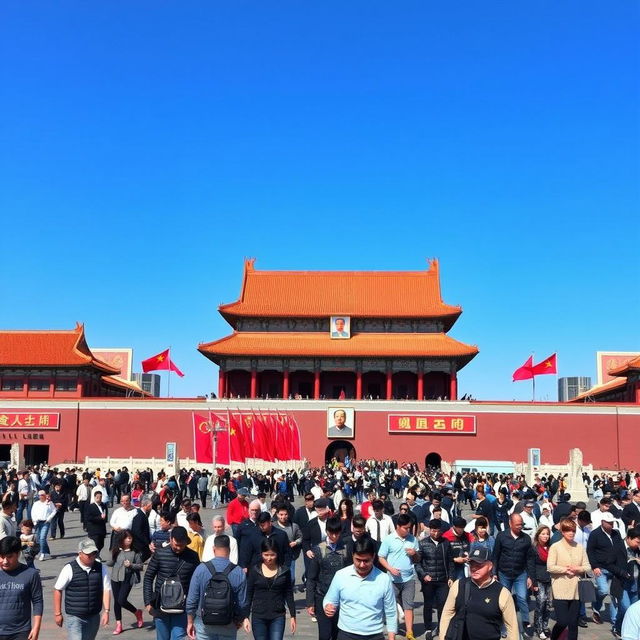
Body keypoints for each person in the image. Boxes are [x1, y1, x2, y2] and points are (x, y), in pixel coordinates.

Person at [323, 537, 398, 640]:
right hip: (346, 634)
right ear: (352, 556)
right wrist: (327, 606)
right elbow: (330, 599)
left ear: (373, 557)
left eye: (366, 561)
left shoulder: (384, 579)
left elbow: (391, 612)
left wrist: (391, 637)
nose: (362, 565)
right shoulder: (341, 575)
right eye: (358, 560)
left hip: (374, 635)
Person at [440, 546, 519, 640]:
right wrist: (442, 637)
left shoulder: (502, 593)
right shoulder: (459, 585)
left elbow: (512, 627)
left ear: (490, 566)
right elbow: (447, 614)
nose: (474, 568)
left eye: (479, 565)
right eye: (472, 564)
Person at [185, 534, 248, 640]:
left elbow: (192, 599)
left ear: (214, 549)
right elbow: (242, 603)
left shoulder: (201, 569)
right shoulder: (238, 572)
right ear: (229, 550)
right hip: (228, 623)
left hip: (204, 624)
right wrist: (239, 620)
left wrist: (190, 622)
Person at [143, 526, 200, 640]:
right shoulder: (160, 554)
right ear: (170, 539)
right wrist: (148, 602)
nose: (178, 548)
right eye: (176, 544)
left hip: (182, 608)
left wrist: (194, 607)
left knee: (178, 637)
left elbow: (196, 583)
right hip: (160, 607)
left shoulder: (193, 557)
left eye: (181, 545)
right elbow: (148, 577)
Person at [53, 538, 111, 640]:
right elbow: (58, 590)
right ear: (80, 553)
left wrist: (106, 611)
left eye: (94, 553)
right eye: (88, 554)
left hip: (94, 616)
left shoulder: (101, 568)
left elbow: (106, 590)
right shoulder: (69, 569)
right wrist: (58, 613)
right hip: (75, 617)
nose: (92, 557)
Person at [378, 513, 420, 640]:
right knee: (391, 606)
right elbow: (381, 557)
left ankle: (409, 632)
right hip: (392, 579)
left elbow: (417, 559)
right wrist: (390, 568)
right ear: (398, 526)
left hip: (408, 578)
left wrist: (414, 554)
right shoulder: (389, 539)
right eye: (405, 528)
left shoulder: (413, 539)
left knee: (409, 606)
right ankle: (393, 630)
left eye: (409, 528)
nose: (407, 531)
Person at [547, 518, 591, 640]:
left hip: (575, 589)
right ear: (562, 531)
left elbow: (587, 566)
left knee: (573, 623)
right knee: (562, 621)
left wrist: (577, 568)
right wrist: (565, 569)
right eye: (568, 530)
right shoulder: (555, 547)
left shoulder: (580, 547)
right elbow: (550, 567)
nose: (571, 533)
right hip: (560, 587)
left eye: (573, 530)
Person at [306, 516, 350, 638]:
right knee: (324, 634)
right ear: (327, 531)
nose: (334, 537)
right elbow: (311, 578)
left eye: (337, 533)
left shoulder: (346, 549)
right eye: (331, 533)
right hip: (322, 596)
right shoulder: (319, 549)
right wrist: (310, 602)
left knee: (338, 634)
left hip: (342, 598)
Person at [245, 537, 296, 640]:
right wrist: (245, 617)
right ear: (261, 554)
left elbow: (289, 594)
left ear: (277, 554)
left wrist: (293, 615)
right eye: (266, 555)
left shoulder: (284, 571)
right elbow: (249, 594)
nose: (269, 558)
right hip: (258, 615)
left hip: (278, 615)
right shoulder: (254, 570)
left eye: (272, 555)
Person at [493, 513, 535, 637]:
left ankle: (526, 622)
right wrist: (494, 573)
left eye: (521, 525)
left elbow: (530, 559)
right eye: (517, 525)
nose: (519, 527)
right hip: (504, 573)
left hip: (520, 573)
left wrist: (530, 577)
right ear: (510, 524)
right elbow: (495, 555)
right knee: (504, 600)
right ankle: (502, 625)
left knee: (522, 597)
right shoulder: (501, 536)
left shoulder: (526, 538)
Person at [415, 519, 454, 640]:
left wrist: (451, 577)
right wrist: (424, 575)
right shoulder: (422, 543)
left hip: (443, 580)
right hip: (429, 581)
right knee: (428, 604)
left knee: (443, 605)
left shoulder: (446, 543)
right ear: (429, 530)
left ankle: (442, 627)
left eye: (437, 531)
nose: (435, 533)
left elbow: (450, 562)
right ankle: (428, 629)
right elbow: (417, 563)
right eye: (433, 531)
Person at [0, 535, 43, 640]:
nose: (5, 561)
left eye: (9, 557)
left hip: (21, 632)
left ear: (18, 554)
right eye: (1, 556)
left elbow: (37, 601)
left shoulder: (31, 574)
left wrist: (36, 628)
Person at [587, 510, 622, 627]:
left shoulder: (616, 534)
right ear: (602, 522)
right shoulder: (595, 534)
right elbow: (590, 551)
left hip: (614, 568)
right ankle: (596, 605)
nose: (611, 525)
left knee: (614, 594)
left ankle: (614, 620)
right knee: (603, 590)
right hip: (601, 568)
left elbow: (620, 549)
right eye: (609, 523)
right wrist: (594, 566)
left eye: (612, 522)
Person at [107, 529, 144, 635]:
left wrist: (131, 565)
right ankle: (119, 624)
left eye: (130, 538)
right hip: (115, 578)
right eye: (127, 538)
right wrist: (112, 552)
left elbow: (141, 566)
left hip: (128, 578)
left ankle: (137, 612)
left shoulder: (135, 552)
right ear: (122, 539)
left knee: (122, 600)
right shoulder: (117, 550)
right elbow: (109, 563)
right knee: (117, 602)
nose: (129, 540)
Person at [611, 527, 640, 638]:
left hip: (635, 584)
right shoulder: (618, 547)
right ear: (628, 538)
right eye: (637, 542)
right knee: (626, 608)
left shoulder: (638, 550)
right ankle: (617, 626)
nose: (638, 544)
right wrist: (622, 572)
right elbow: (609, 564)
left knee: (634, 611)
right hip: (622, 583)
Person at [532, 525, 553, 640]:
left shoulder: (551, 547)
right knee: (541, 602)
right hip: (538, 578)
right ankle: (538, 627)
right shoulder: (534, 548)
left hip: (550, 579)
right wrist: (533, 582)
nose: (545, 536)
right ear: (538, 535)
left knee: (548, 604)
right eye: (543, 534)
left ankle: (545, 626)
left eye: (547, 534)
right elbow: (531, 565)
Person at [272, 504, 302, 585]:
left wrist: (295, 542)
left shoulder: (294, 526)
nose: (283, 517)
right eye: (281, 514)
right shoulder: (273, 526)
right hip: (276, 556)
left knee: (291, 578)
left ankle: (289, 593)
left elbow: (301, 537)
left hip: (290, 555)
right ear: (277, 514)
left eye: (285, 514)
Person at [30, 489, 56, 561]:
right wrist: (34, 521)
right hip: (38, 522)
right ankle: (47, 551)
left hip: (45, 522)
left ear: (45, 496)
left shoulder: (49, 503)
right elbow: (33, 512)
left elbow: (54, 511)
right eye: (39, 495)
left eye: (42, 495)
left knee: (42, 538)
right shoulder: (36, 503)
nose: (40, 497)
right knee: (38, 539)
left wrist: (49, 518)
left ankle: (42, 553)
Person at [85, 489, 108, 557]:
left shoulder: (103, 505)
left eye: (100, 497)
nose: (99, 498)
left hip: (102, 528)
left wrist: (104, 519)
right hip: (94, 529)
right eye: (97, 497)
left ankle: (97, 554)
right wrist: (99, 518)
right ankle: (95, 556)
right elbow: (89, 518)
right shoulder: (91, 506)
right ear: (94, 497)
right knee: (96, 543)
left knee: (101, 544)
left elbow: (105, 514)